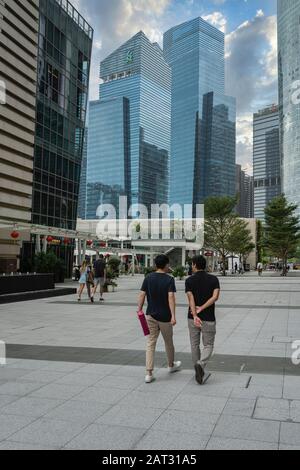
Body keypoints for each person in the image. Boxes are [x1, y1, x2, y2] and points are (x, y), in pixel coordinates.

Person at [137, 254, 182, 384]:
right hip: (165, 317)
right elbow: (171, 297)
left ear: (156, 265)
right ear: (166, 265)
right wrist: (173, 316)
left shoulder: (148, 277)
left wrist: (139, 309)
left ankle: (149, 373)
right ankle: (171, 365)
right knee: (168, 342)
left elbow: (142, 294)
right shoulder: (169, 279)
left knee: (151, 343)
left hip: (150, 314)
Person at [185, 255, 220, 385]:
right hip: (209, 317)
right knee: (208, 345)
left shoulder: (189, 281)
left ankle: (197, 370)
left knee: (194, 345)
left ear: (194, 265)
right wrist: (202, 309)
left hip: (192, 318)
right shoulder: (214, 279)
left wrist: (195, 314)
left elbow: (191, 299)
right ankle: (201, 364)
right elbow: (215, 297)